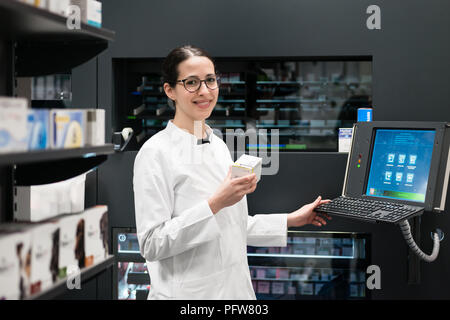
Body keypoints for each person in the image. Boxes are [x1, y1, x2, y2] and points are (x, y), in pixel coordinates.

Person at [133, 45, 331, 300]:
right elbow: (151, 243)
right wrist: (215, 203)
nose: (204, 91)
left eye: (210, 80)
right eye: (191, 82)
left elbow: (233, 225)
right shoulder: (155, 153)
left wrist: (292, 219)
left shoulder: (217, 145)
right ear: (170, 90)